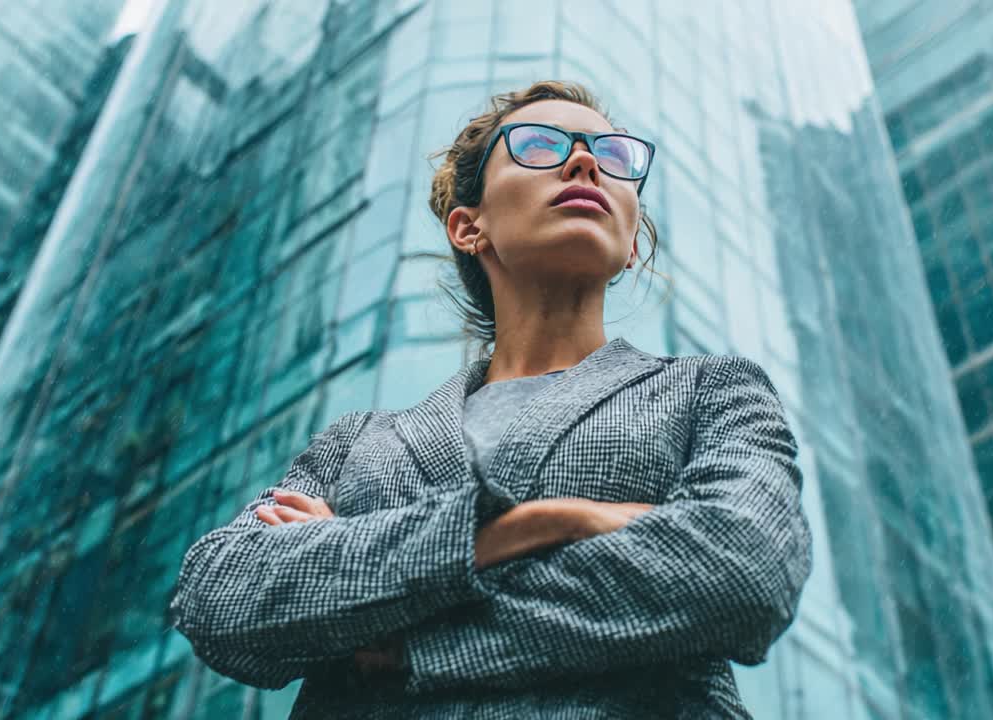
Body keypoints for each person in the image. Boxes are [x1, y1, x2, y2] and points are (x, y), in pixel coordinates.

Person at [169, 80, 812, 719]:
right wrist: (543, 524)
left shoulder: (711, 391)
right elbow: (219, 595)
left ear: (632, 241)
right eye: (538, 144)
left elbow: (744, 571)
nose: (586, 160)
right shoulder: (358, 442)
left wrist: (404, 639)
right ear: (468, 226)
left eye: (613, 155)